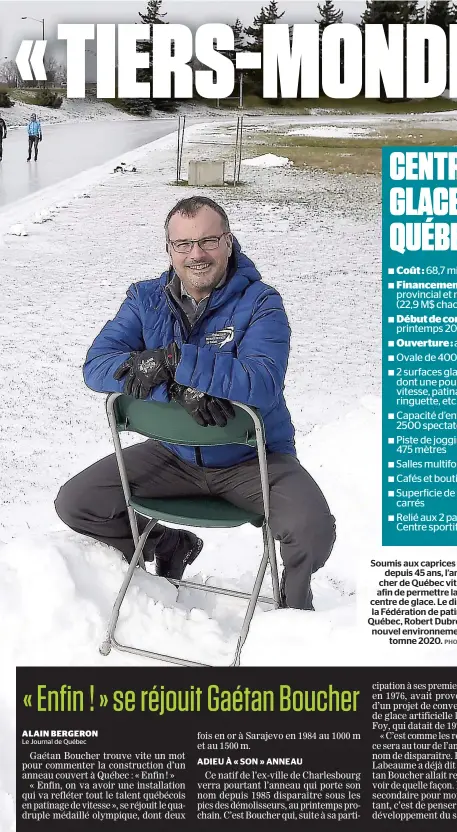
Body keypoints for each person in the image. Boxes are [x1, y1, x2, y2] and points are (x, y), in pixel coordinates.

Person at [55, 196, 336, 610]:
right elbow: (97, 367)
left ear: (228, 241)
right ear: (169, 249)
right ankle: (171, 545)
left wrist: (175, 360)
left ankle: (293, 611)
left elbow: (262, 384)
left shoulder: (261, 303)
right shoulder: (145, 298)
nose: (196, 254)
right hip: (174, 454)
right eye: (183, 244)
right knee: (78, 502)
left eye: (208, 241)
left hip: (252, 458)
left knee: (313, 529)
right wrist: (175, 388)